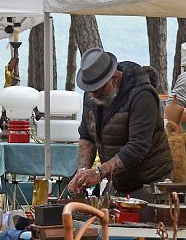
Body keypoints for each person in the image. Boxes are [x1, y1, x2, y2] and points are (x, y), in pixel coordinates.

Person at [69, 48, 173, 197]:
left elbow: (138, 147)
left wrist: (100, 172)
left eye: (98, 89)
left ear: (114, 78)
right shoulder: (92, 95)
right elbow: (87, 137)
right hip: (119, 182)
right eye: (89, 89)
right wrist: (82, 172)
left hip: (151, 182)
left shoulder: (142, 95)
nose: (93, 94)